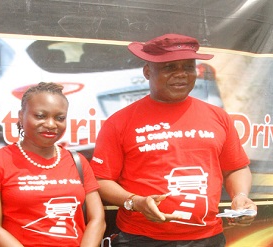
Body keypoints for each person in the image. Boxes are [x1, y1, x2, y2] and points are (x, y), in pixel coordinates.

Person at [89, 33, 257, 247]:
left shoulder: (218, 116)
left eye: (188, 67)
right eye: (169, 67)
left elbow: (236, 168)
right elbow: (101, 180)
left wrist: (240, 196)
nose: (181, 75)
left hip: (207, 239)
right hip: (141, 239)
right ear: (147, 71)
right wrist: (135, 202)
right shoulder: (120, 122)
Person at [0, 82, 106, 247]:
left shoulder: (77, 161)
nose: (51, 124)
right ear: (21, 116)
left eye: (59, 118)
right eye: (40, 116)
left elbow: (97, 219)